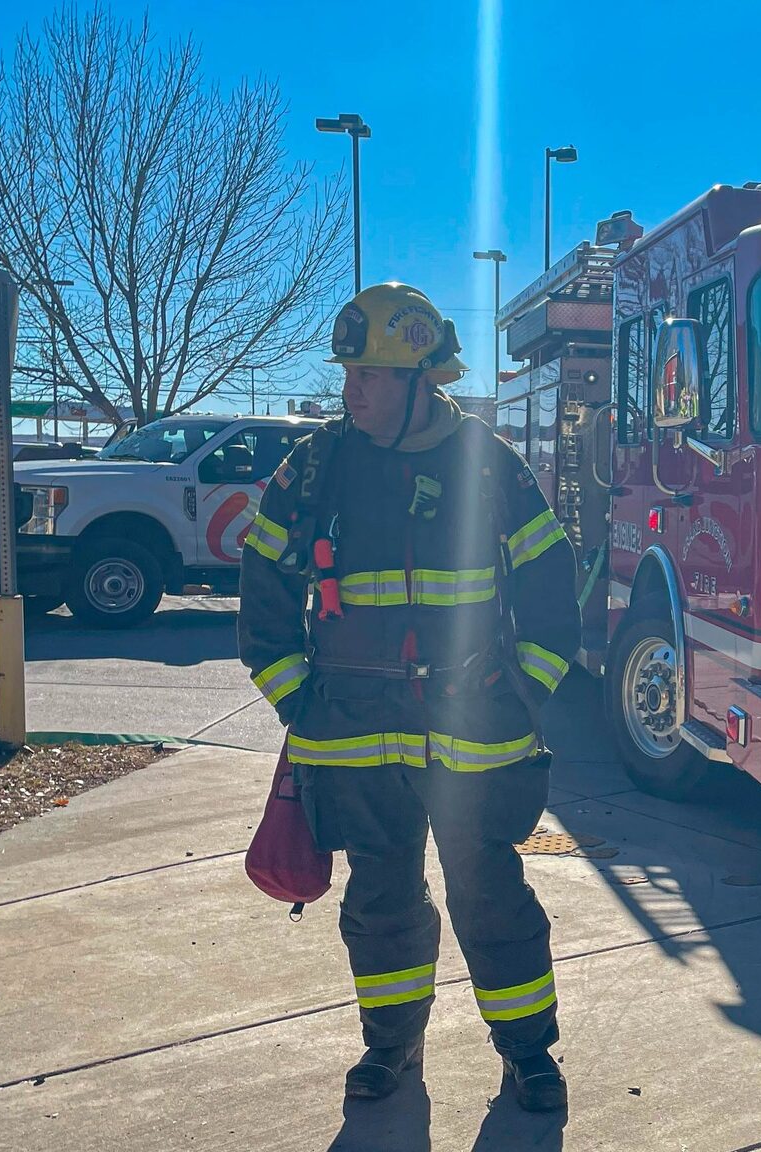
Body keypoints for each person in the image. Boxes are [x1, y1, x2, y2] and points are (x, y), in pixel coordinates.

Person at [238, 282, 580, 1112]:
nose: (352, 389)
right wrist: (298, 702)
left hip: (473, 735)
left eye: (373, 375)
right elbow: (262, 591)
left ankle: (528, 1053)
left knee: (489, 895)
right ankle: (390, 1046)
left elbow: (550, 592)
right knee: (382, 899)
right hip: (350, 736)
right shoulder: (315, 465)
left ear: (426, 379)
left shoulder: (490, 466)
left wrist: (520, 694)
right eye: (350, 371)